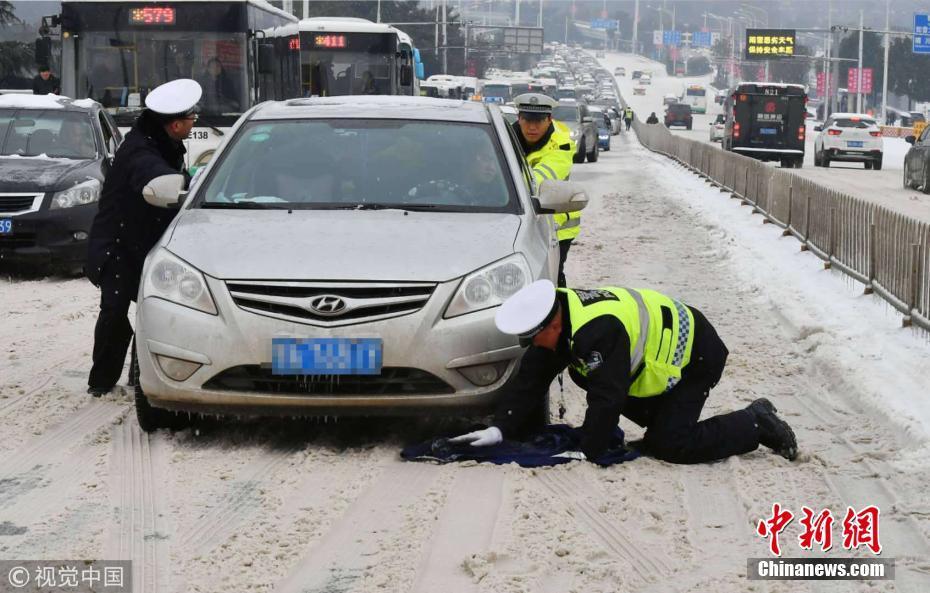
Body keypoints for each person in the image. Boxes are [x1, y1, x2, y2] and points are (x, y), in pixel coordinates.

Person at [451, 280, 799, 464]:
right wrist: (499, 428)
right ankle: (665, 418)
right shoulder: (561, 315)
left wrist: (588, 449)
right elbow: (531, 380)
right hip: (658, 360)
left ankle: (755, 422)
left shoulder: (597, 331)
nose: (533, 345)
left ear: (552, 325)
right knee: (583, 373)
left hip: (696, 358)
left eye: (534, 337)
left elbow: (608, 397)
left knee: (670, 445)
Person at [85, 79, 202, 397]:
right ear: (176, 124)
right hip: (117, 246)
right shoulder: (141, 150)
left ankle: (137, 376)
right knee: (114, 312)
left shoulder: (160, 140)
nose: (194, 124)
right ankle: (101, 384)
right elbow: (155, 177)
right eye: (192, 120)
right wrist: (183, 184)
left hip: (139, 243)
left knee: (151, 308)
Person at [510, 93, 577, 287]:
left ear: (549, 120)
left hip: (553, 227)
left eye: (538, 121)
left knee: (550, 281)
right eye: (527, 120)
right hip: (512, 221)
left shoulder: (562, 144)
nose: (532, 127)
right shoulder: (503, 137)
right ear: (519, 118)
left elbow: (539, 180)